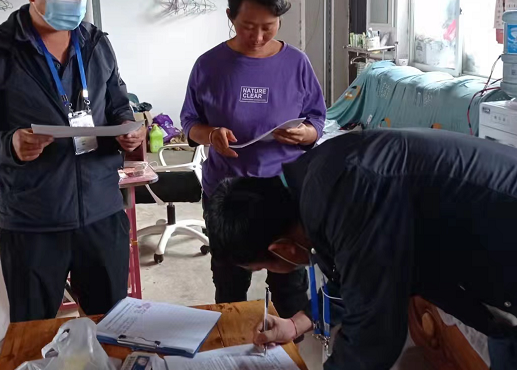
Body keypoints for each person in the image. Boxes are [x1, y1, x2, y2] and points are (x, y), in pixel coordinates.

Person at [0, 0, 145, 322]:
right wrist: (9, 144)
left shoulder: (96, 44)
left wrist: (128, 127)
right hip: (33, 222)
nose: (77, 1)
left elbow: (119, 104)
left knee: (112, 327)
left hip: (102, 212)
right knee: (34, 331)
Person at [206, 128, 517, 370]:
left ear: (282, 250)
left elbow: (372, 336)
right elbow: (358, 278)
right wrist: (295, 323)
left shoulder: (349, 193)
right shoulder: (313, 185)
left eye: (263, 267)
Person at [180, 0, 326, 320]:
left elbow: (317, 119)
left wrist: (306, 134)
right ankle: (231, 343)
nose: (258, 37)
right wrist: (210, 135)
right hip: (227, 195)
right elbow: (189, 123)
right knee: (230, 281)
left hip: (283, 192)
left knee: (289, 285)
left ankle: (290, 340)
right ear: (230, 16)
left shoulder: (296, 63)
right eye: (248, 26)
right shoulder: (209, 65)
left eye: (268, 27)